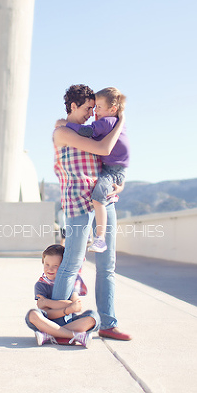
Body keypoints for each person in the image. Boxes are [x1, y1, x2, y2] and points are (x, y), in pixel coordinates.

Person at [51, 84, 132, 341]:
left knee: (107, 266)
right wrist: (120, 123)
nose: (91, 114)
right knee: (72, 263)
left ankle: (108, 323)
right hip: (78, 203)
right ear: (73, 106)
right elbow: (104, 150)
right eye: (87, 109)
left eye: (94, 109)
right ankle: (57, 324)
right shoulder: (63, 132)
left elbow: (111, 163)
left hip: (103, 203)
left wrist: (120, 184)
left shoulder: (97, 131)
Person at [56, 87, 129, 253]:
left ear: (113, 109)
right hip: (112, 171)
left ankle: (100, 239)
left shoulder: (108, 122)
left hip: (111, 173)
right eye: (91, 108)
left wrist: (65, 124)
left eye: (98, 107)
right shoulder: (111, 123)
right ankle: (97, 238)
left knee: (97, 199)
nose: (94, 112)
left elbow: (91, 136)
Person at [25, 244, 100, 347]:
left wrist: (47, 302)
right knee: (32, 315)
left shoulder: (70, 282)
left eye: (55, 266)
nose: (50, 269)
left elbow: (77, 306)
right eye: (47, 264)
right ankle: (75, 335)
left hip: (68, 322)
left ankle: (49, 334)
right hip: (47, 322)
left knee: (93, 317)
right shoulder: (41, 285)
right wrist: (69, 307)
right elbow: (48, 314)